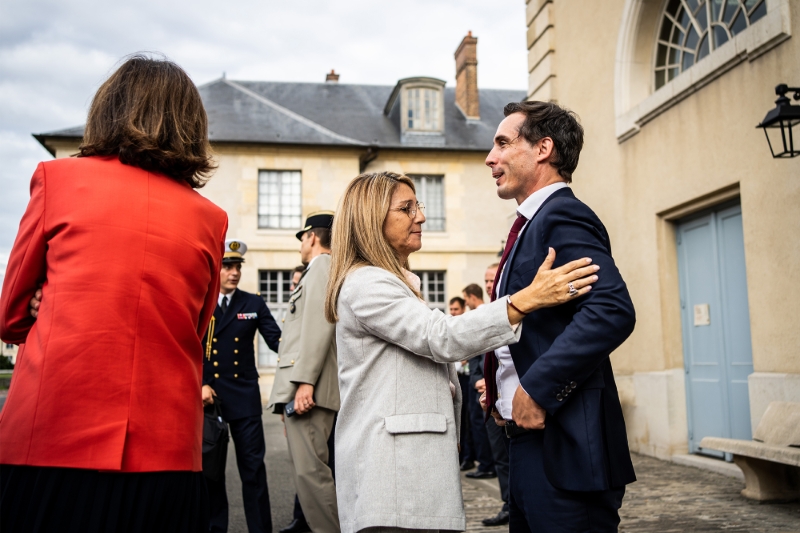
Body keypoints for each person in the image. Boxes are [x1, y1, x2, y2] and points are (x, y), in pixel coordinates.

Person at [0, 55, 226, 533]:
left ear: (108, 109)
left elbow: (10, 316)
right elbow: (197, 327)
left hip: (52, 434)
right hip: (166, 449)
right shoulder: (210, 218)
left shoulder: (57, 180)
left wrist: (49, 301)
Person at [323, 171, 598, 533]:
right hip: (392, 478)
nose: (420, 216)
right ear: (371, 221)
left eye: (417, 206)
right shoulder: (367, 282)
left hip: (403, 474)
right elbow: (440, 337)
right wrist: (525, 300)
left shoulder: (386, 280)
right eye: (406, 208)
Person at [482, 100, 636, 532]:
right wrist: (497, 382)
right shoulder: (531, 224)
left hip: (564, 448)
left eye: (502, 143)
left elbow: (611, 309)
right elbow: (538, 325)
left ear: (543, 148)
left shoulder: (562, 215)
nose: (490, 158)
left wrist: (534, 389)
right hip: (527, 445)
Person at [202, 240, 281, 533]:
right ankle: (214, 528)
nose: (233, 273)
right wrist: (200, 384)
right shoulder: (202, 301)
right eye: (227, 266)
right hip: (211, 401)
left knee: (253, 473)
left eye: (237, 267)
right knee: (211, 474)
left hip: (245, 399)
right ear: (215, 269)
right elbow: (188, 347)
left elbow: (276, 341)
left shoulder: (253, 303)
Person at [269, 211, 340, 533]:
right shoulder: (320, 269)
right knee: (311, 474)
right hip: (306, 385)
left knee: (312, 475)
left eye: (303, 238)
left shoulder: (321, 266)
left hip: (310, 388)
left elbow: (319, 326)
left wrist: (304, 383)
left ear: (311, 236)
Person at [464, 282, 510, 527]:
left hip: (512, 396)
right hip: (491, 398)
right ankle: (508, 504)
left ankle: (519, 503)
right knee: (501, 456)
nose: (491, 284)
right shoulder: (484, 316)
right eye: (488, 281)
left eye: (493, 280)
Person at [449, 297, 475, 471]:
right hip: (456, 375)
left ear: (463, 309)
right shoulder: (450, 325)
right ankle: (462, 456)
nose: (452, 312)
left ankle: (468, 456)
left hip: (466, 378)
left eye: (456, 309)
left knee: (467, 419)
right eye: (451, 309)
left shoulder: (466, 325)